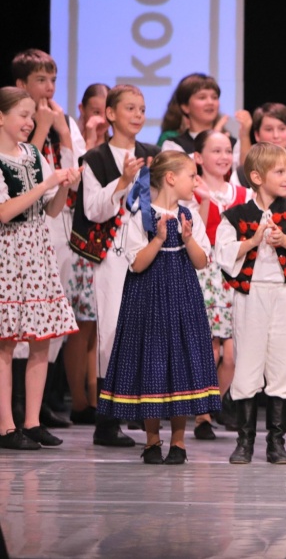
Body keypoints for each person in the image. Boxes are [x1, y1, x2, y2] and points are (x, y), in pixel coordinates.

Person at [97, 151, 221, 465]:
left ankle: (178, 442)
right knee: (151, 361)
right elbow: (137, 264)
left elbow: (202, 261)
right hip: (148, 297)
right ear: (171, 178)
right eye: (191, 175)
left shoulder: (190, 215)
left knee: (181, 362)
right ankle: (152, 440)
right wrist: (159, 238)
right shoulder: (141, 215)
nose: (196, 181)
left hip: (182, 296)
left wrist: (188, 239)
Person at [216, 143, 286, 465]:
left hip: (285, 293)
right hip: (251, 294)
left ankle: (277, 442)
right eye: (280, 172)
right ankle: (244, 441)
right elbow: (223, 253)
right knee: (248, 361)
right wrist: (252, 241)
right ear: (258, 177)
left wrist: (284, 240)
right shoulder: (236, 215)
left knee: (284, 362)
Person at [73, 84, 160, 448]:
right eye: (130, 108)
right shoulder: (96, 159)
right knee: (111, 329)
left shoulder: (152, 155)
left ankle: (143, 407)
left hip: (149, 249)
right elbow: (93, 210)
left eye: (142, 108)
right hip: (112, 251)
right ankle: (107, 420)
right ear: (110, 114)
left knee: (148, 327)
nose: (138, 114)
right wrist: (123, 182)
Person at [0, 87, 80, 450]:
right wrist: (47, 183)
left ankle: (32, 421)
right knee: (5, 342)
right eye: (22, 115)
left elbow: (51, 209)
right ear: (1, 117)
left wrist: (62, 187)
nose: (29, 122)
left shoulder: (33, 154)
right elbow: (5, 211)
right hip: (7, 251)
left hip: (36, 251)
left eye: (32, 116)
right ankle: (6, 425)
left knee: (40, 338)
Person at [12, 49, 86, 431]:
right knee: (20, 318)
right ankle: (16, 405)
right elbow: (22, 167)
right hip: (20, 224)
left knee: (52, 314)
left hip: (56, 218)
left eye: (53, 80)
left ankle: (38, 404)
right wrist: (40, 127)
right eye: (41, 80)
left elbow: (75, 169)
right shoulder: (16, 120)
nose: (49, 87)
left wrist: (62, 131)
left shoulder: (62, 119)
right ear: (21, 84)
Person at [191, 130, 248, 438]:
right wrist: (203, 200)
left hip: (233, 273)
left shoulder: (243, 194)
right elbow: (195, 232)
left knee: (233, 355)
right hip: (205, 271)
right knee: (210, 348)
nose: (224, 157)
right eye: (216, 151)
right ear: (198, 157)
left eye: (228, 150)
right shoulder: (190, 189)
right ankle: (202, 416)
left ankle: (212, 406)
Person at [64, 83, 109, 426]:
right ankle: (78, 400)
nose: (101, 118)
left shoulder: (114, 148)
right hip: (79, 238)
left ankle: (94, 397)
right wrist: (91, 138)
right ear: (82, 109)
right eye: (95, 111)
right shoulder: (75, 140)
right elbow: (80, 185)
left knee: (96, 324)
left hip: (105, 242)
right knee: (80, 323)